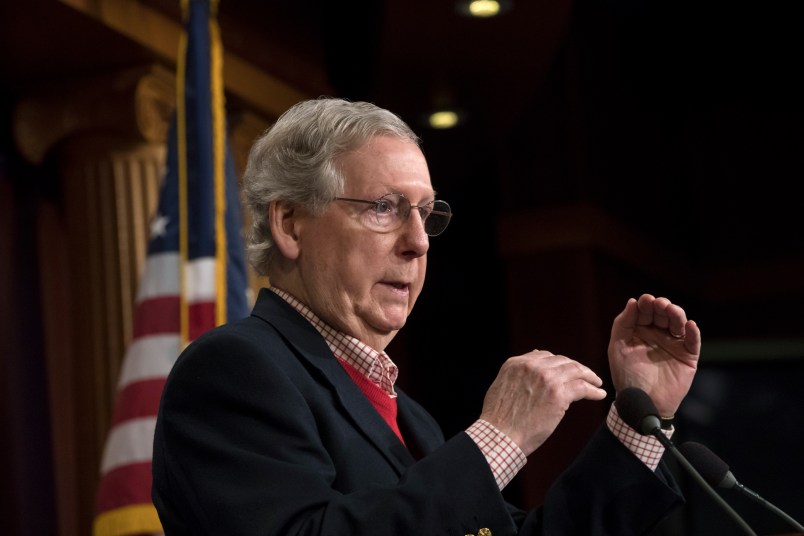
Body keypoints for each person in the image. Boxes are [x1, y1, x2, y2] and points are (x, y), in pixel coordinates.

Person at [152, 96, 701, 535]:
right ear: (291, 224)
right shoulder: (233, 370)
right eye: (384, 208)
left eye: (425, 212)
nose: (418, 242)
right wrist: (498, 439)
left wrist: (636, 421)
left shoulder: (413, 421)